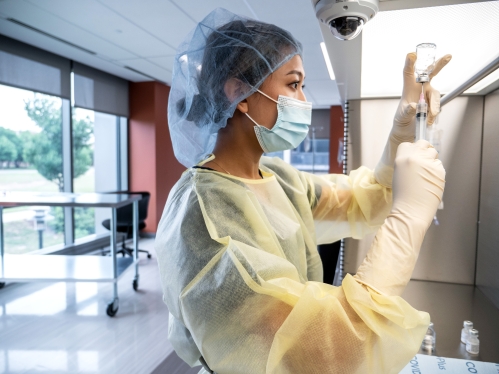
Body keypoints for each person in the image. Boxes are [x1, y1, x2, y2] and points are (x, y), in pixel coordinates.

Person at [155, 8, 450, 374]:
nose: (305, 102)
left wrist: (401, 133)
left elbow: (364, 201)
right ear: (239, 93)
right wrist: (409, 217)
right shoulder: (203, 216)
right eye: (294, 85)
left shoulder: (279, 178)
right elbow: (327, 348)